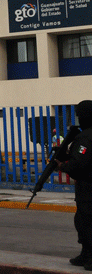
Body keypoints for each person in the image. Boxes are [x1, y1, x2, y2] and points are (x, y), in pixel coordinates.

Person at [57, 100, 92, 269]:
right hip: (87, 189)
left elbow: (78, 163)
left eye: (79, 116)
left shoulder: (85, 137)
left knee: (87, 223)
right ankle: (86, 254)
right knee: (82, 221)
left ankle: (90, 256)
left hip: (88, 189)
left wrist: (62, 166)